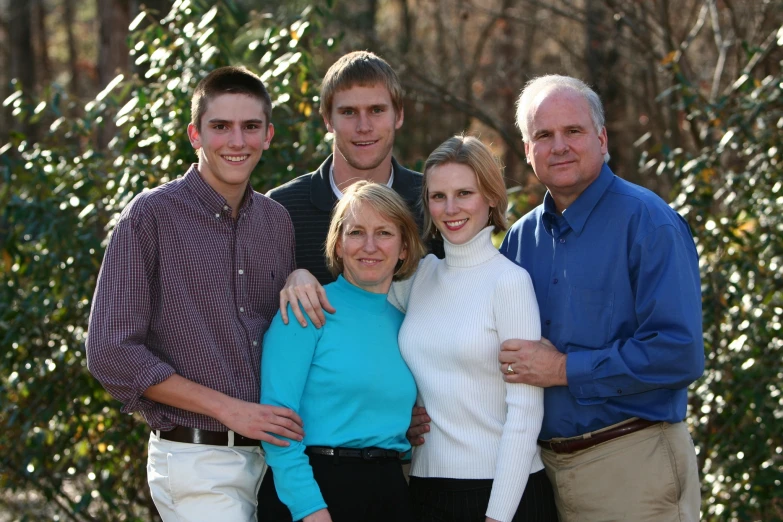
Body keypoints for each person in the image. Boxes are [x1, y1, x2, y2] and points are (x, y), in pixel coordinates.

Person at [85, 66, 303, 521]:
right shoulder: (150, 217)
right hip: (197, 461)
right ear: (195, 134)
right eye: (220, 126)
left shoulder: (276, 222)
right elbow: (110, 352)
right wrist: (230, 410)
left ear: (268, 135)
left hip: (279, 461)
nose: (236, 141)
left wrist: (299, 274)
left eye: (250, 127)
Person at [496, 75, 704, 521]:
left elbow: (679, 353)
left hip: (633, 465)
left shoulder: (649, 223)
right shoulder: (519, 240)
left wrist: (564, 369)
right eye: (543, 135)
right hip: (539, 474)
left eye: (573, 131)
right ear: (528, 149)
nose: (559, 146)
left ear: (602, 138)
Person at [390, 135, 557, 522]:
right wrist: (301, 277)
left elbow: (525, 412)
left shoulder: (509, 282)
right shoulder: (420, 276)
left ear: (491, 197)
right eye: (438, 196)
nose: (450, 209)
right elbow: (357, 298)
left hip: (502, 493)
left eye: (464, 193)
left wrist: (497, 515)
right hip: (425, 489)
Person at [259, 181, 426, 522]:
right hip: (314, 494)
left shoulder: (409, 326)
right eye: (356, 232)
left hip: (390, 492)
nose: (369, 246)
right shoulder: (306, 308)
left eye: (383, 233)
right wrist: (310, 509)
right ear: (337, 245)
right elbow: (275, 425)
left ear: (405, 247)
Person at [267, 50, 442, 317]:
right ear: (328, 119)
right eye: (348, 112)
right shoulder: (281, 209)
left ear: (399, 115)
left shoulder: (434, 201)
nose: (364, 126)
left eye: (376, 110)